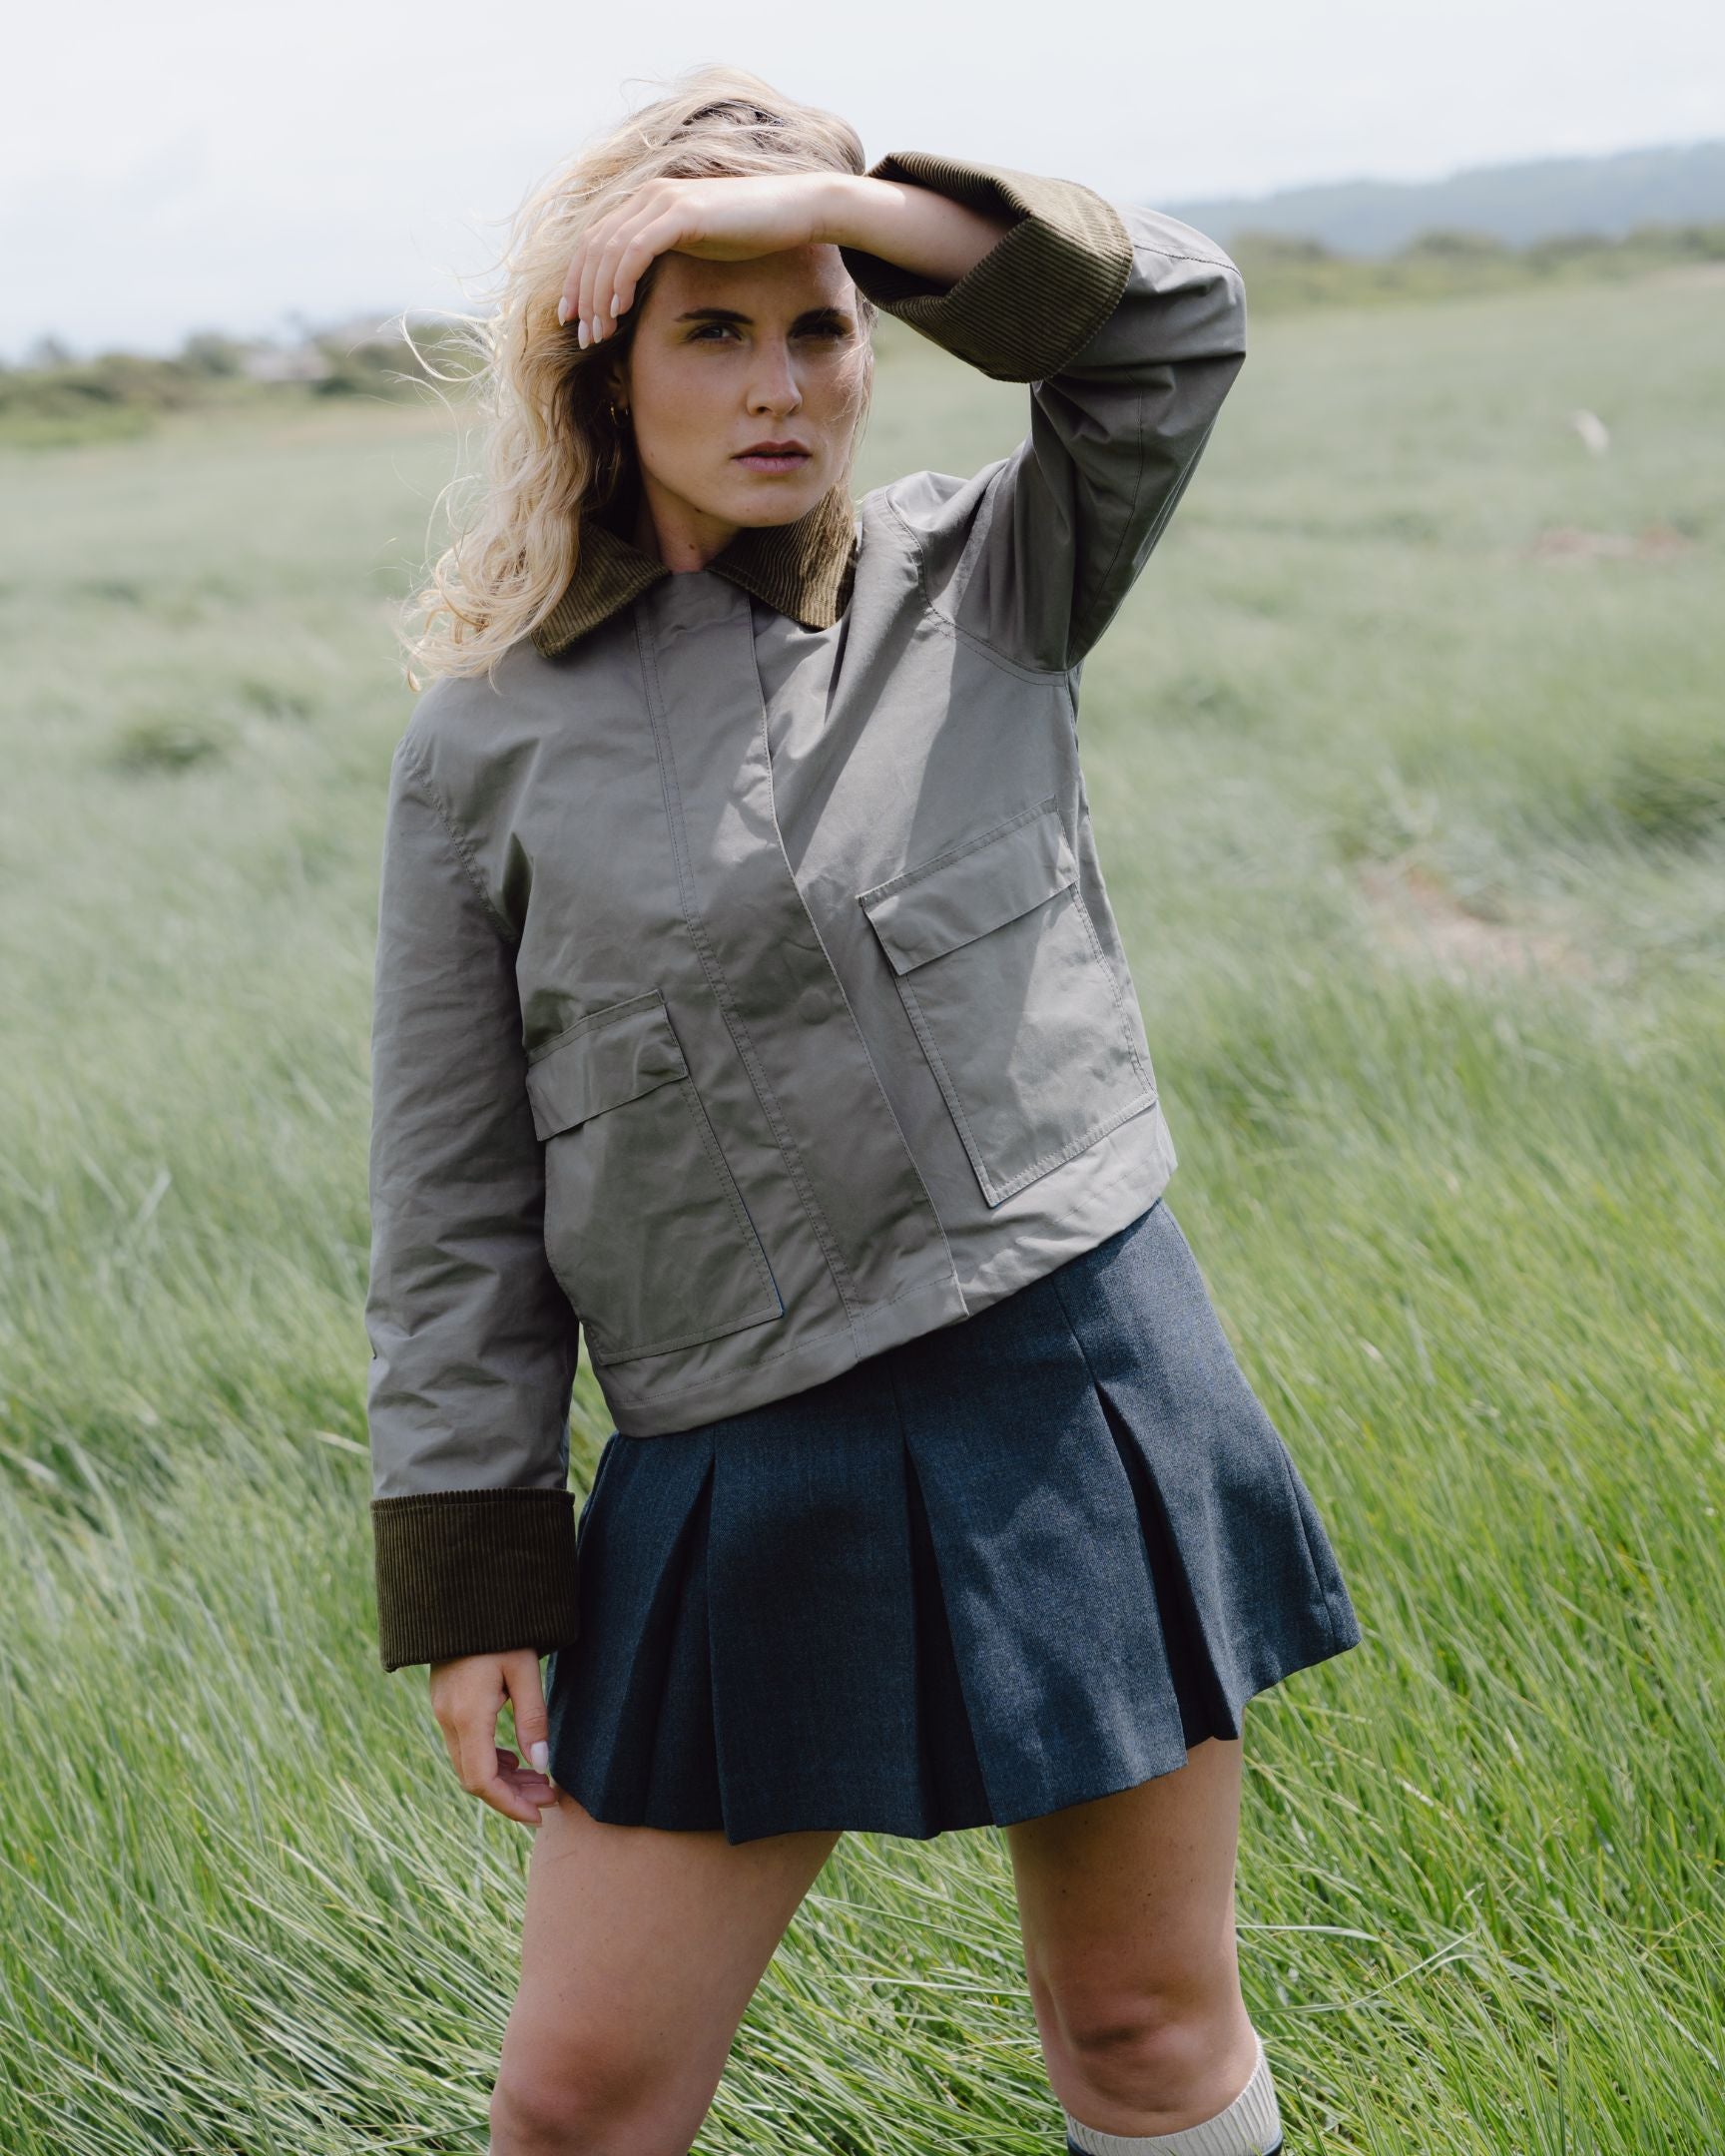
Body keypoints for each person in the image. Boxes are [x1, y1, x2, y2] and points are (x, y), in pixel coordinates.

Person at [364, 62, 1361, 2156]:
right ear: (596, 367)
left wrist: (846, 194)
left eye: (822, 322)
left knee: (1145, 2036)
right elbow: (454, 1199)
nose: (781, 383)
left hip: (1066, 1386)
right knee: (576, 2098)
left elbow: (1169, 319)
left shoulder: (992, 576)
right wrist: (479, 1585)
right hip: (737, 1455)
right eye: (708, 328)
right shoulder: (484, 744)